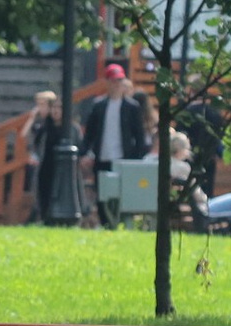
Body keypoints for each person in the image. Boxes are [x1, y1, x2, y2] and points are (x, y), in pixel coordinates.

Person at [80, 63, 151, 221]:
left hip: (123, 158)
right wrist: (84, 153)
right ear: (107, 82)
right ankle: (105, 222)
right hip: (102, 157)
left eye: (119, 80)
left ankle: (120, 221)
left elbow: (139, 135)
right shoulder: (99, 105)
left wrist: (136, 158)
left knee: (123, 192)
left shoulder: (132, 107)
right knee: (102, 192)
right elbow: (90, 133)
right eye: (113, 80)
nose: (116, 84)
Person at [22, 90, 63, 220]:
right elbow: (24, 135)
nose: (40, 108)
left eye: (43, 104)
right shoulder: (42, 124)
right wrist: (32, 118)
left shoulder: (55, 124)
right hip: (43, 163)